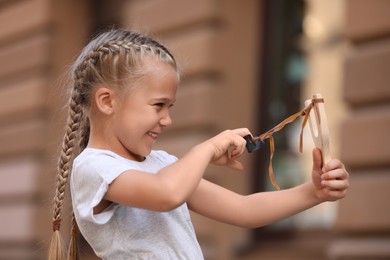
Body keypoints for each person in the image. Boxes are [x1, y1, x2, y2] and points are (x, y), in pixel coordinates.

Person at [48, 29, 349, 260]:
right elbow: (166, 194)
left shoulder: (164, 166)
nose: (167, 120)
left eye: (171, 107)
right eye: (158, 105)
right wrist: (205, 149)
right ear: (107, 101)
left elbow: (243, 209)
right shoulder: (94, 168)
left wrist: (313, 192)